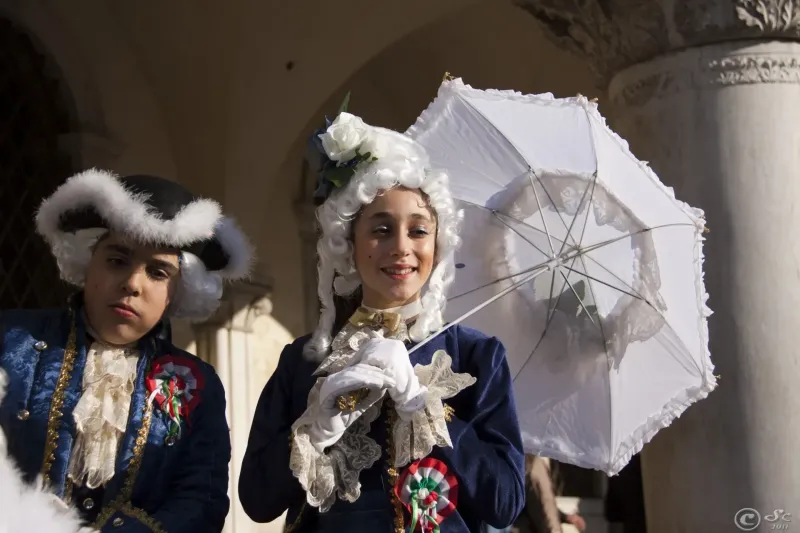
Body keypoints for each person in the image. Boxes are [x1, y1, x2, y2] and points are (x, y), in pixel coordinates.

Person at [239, 110, 526, 533]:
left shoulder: (478, 357)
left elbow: (505, 502)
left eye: (418, 230)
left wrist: (425, 405)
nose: (401, 248)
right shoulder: (301, 363)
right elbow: (257, 501)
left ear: (438, 243)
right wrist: (313, 430)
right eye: (381, 229)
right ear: (349, 244)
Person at [0, 170, 253, 532]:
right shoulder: (10, 339)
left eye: (158, 272)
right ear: (88, 263)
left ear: (176, 293)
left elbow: (201, 499)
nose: (133, 283)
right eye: (118, 260)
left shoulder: (198, 383)